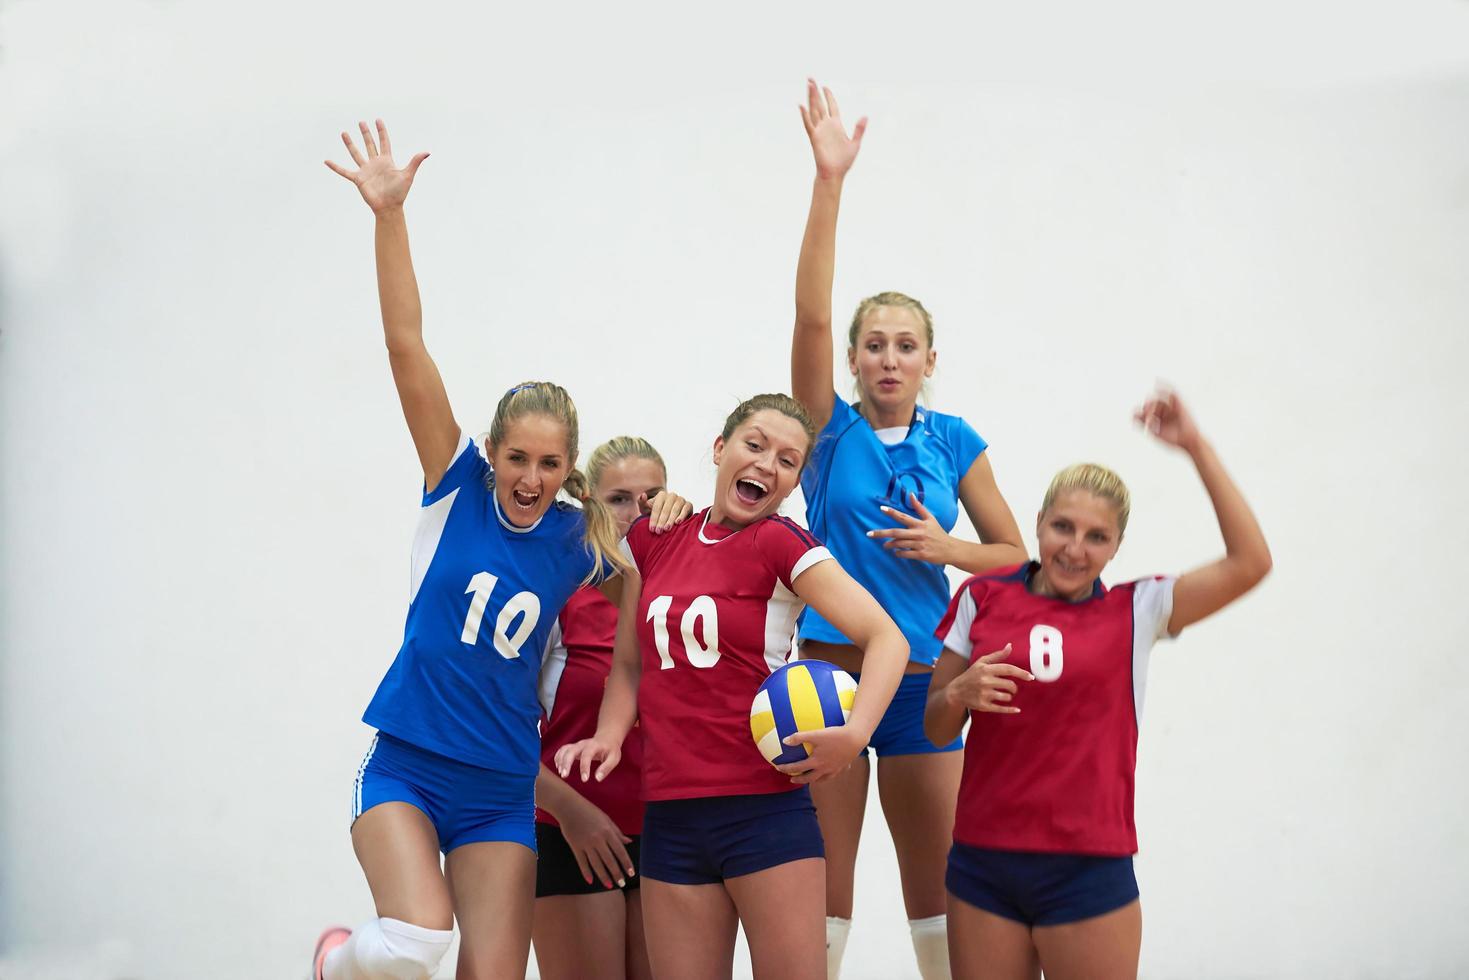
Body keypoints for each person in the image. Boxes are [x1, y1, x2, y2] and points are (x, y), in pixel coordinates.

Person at [312, 121, 689, 980]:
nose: (528, 476)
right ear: (491, 450)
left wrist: (668, 511)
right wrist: (388, 217)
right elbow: (406, 345)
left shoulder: (580, 536)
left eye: (548, 464)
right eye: (515, 458)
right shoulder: (455, 490)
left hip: (499, 786)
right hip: (408, 758)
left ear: (569, 471)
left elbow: (661, 591)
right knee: (414, 942)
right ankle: (337, 960)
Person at [790, 80, 1030, 980]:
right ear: (852, 358)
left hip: (928, 679)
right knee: (821, 887)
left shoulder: (954, 439)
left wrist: (948, 550)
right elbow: (809, 312)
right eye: (873, 342)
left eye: (904, 344)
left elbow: (1013, 554)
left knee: (939, 895)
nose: (887, 356)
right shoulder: (828, 432)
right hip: (832, 674)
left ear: (929, 360)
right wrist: (829, 182)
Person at [556, 394, 911, 980]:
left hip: (765, 812)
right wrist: (609, 736)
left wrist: (855, 735)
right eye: (755, 445)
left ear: (795, 480)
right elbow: (629, 664)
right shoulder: (654, 538)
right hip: (670, 815)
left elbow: (887, 639)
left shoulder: (781, 542)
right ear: (720, 450)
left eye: (788, 460)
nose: (768, 464)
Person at [924, 390, 1273, 980]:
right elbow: (935, 727)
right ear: (1037, 523)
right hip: (984, 866)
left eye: (1096, 537)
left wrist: (1196, 447)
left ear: (1117, 546)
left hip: (1087, 871)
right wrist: (957, 696)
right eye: (1062, 527)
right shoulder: (980, 597)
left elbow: (1251, 562)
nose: (1075, 549)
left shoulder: (1139, 611)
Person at [533, 436, 671, 980]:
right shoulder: (557, 595)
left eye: (652, 497)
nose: (637, 512)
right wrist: (574, 814)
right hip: (571, 834)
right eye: (619, 499)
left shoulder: (680, 598)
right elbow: (495, 733)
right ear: (588, 503)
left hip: (668, 838)